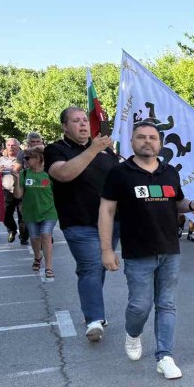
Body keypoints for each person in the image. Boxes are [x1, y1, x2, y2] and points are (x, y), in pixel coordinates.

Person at [99, 121, 194, 380]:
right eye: (141, 137)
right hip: (138, 252)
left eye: (153, 137)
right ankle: (133, 333)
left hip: (170, 250)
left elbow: (177, 202)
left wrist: (192, 205)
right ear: (132, 141)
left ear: (160, 143)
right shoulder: (119, 173)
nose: (148, 141)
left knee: (166, 304)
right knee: (140, 306)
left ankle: (164, 356)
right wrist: (106, 250)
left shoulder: (170, 172)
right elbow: (107, 210)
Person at [44, 107, 120, 341]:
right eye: (76, 121)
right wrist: (93, 149)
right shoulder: (56, 149)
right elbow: (64, 174)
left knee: (100, 266)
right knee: (91, 266)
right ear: (65, 127)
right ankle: (94, 319)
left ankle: (93, 307)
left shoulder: (107, 151)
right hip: (79, 222)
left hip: (111, 222)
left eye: (85, 120)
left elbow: (119, 182)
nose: (83, 124)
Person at [12, 147, 57, 280]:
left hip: (49, 212)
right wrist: (16, 179)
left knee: (46, 236)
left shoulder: (49, 174)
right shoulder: (24, 174)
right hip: (30, 212)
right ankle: (37, 257)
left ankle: (49, 267)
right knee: (34, 238)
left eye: (27, 158)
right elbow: (18, 195)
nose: (25, 160)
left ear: (38, 159)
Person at [0, 138, 27, 244]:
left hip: (21, 189)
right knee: (6, 214)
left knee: (23, 215)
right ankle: (12, 230)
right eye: (9, 145)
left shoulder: (24, 158)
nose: (11, 147)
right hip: (7, 190)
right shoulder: (1, 159)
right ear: (6, 146)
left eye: (13, 145)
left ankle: (23, 237)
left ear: (18, 146)